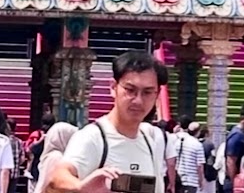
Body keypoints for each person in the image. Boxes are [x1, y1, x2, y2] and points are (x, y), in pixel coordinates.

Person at [49, 48, 168, 193]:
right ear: (113, 87)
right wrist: (80, 187)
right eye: (130, 90)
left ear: (157, 94)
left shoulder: (150, 139)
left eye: (147, 92)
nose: (138, 100)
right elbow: (59, 175)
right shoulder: (94, 137)